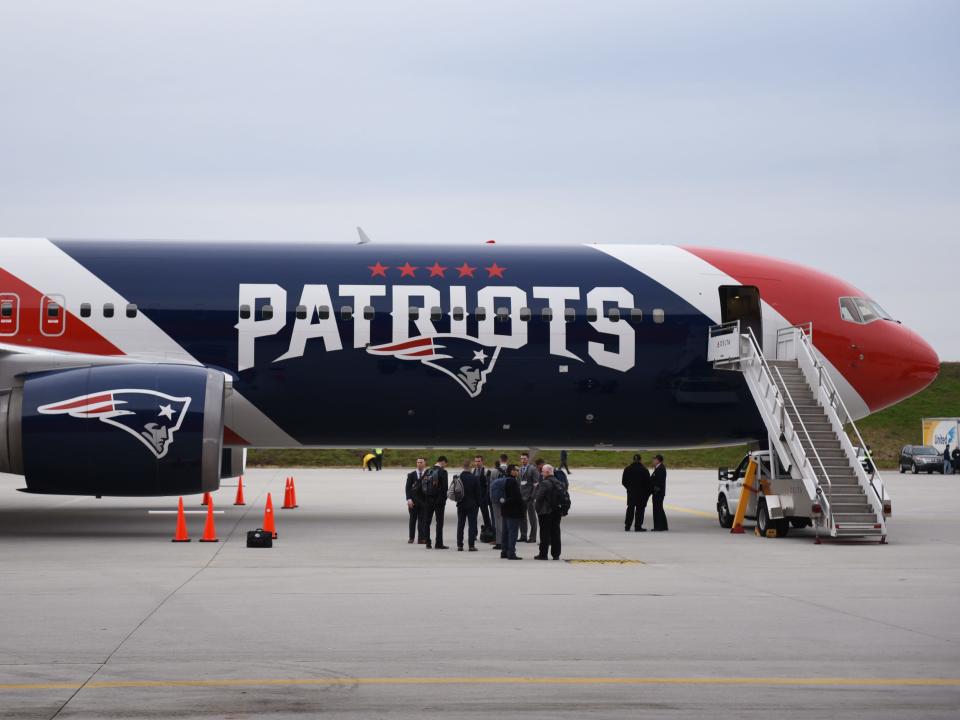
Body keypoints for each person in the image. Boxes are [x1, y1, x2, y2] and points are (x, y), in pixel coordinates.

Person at [534, 464, 564, 560]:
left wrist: (538, 510)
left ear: (547, 472)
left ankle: (543, 554)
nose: (542, 473)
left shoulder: (544, 483)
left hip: (545, 512)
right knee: (555, 533)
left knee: (544, 534)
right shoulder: (559, 483)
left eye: (542, 471)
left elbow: (539, 498)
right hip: (557, 512)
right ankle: (556, 554)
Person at [422, 456, 449, 549]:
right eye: (445, 464)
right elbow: (445, 488)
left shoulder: (428, 471)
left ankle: (428, 543)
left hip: (428, 500)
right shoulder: (443, 472)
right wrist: (444, 500)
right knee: (439, 523)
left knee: (427, 522)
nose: (445, 466)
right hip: (439, 501)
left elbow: (423, 486)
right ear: (443, 462)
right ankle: (438, 543)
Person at [455, 460, 482, 551]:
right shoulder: (474, 478)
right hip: (472, 505)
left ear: (463, 466)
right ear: (470, 467)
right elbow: (478, 493)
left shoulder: (458, 477)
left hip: (461, 504)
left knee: (460, 525)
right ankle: (471, 546)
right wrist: (478, 504)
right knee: (472, 525)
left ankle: (460, 545)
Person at [622, 453, 652, 531]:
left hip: (631, 493)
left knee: (630, 509)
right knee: (640, 510)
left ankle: (627, 526)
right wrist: (646, 492)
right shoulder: (644, 470)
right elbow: (648, 483)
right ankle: (638, 526)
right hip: (641, 494)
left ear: (633, 460)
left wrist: (629, 488)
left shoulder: (627, 469)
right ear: (640, 460)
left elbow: (623, 481)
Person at [500, 464, 524, 559]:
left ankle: (504, 552)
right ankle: (511, 553)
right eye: (516, 470)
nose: (518, 471)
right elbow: (516, 497)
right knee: (512, 533)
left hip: (505, 510)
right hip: (513, 511)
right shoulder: (513, 482)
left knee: (505, 532)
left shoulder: (504, 480)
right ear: (511, 471)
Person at [405, 457, 428, 544]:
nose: (419, 464)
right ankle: (411, 537)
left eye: (421, 462)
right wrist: (409, 499)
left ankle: (421, 538)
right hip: (413, 502)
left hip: (423, 502)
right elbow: (407, 488)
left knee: (422, 521)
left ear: (424, 463)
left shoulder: (428, 474)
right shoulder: (411, 475)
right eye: (418, 462)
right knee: (412, 520)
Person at [518, 452, 539, 543]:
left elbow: (536, 484)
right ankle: (523, 535)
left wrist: (532, 496)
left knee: (532, 518)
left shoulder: (532, 469)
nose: (523, 461)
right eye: (521, 459)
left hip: (530, 498)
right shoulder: (520, 470)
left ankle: (533, 537)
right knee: (522, 517)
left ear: (528, 459)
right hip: (521, 497)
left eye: (524, 459)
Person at [474, 455, 493, 538]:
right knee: (473, 517)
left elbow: (489, 485)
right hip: (475, 498)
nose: (477, 463)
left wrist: (486, 497)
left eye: (479, 461)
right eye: (476, 461)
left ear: (482, 462)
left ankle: (489, 532)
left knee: (486, 516)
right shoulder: (473, 471)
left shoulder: (486, 471)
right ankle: (473, 534)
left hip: (483, 498)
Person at [489, 464, 507, 550]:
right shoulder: (511, 470)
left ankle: (499, 541)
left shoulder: (494, 472)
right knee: (507, 520)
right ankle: (507, 540)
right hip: (507, 500)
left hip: (496, 500)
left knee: (497, 520)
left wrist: (491, 498)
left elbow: (490, 486)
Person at [650, 454, 668, 531]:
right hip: (658, 492)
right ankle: (663, 526)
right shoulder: (659, 468)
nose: (653, 461)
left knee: (657, 509)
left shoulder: (660, 468)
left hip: (658, 492)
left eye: (654, 459)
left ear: (658, 460)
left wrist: (654, 490)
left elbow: (659, 482)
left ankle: (659, 527)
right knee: (659, 508)